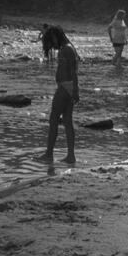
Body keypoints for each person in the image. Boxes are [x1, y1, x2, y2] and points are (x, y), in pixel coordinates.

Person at [38, 25, 79, 164]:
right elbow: (73, 71)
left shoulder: (66, 50)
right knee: (67, 121)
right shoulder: (68, 48)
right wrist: (75, 90)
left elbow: (73, 72)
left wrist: (75, 90)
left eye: (51, 41)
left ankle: (49, 154)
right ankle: (71, 156)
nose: (52, 46)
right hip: (68, 87)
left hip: (64, 87)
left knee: (53, 119)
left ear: (56, 37)